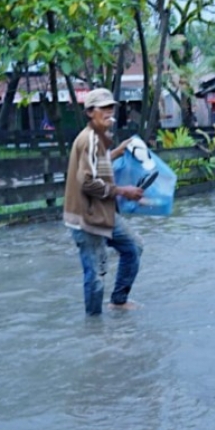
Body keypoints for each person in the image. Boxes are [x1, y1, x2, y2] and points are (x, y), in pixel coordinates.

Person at [63, 88, 146, 316]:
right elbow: (87, 183)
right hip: (85, 219)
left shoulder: (97, 137)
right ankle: (94, 325)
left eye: (111, 107)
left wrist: (117, 152)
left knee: (133, 247)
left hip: (101, 213)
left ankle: (118, 301)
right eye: (104, 108)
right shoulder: (88, 140)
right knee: (96, 274)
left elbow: (93, 166)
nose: (109, 112)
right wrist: (123, 191)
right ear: (90, 112)